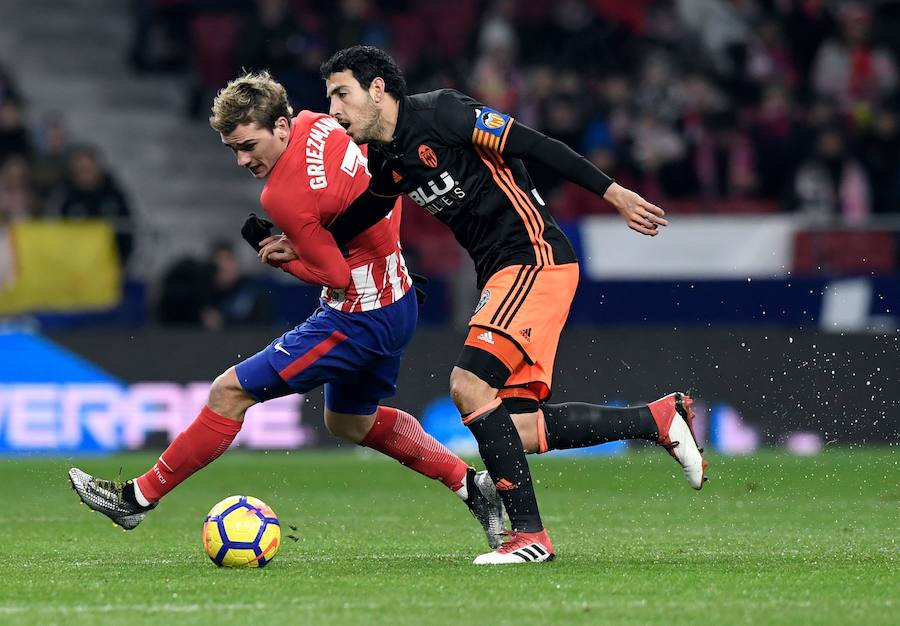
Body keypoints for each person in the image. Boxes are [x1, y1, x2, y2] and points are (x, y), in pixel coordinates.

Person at [68, 71, 504, 551]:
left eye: (248, 145)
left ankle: (137, 499)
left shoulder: (283, 195)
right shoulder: (325, 124)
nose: (242, 160)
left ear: (279, 125)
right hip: (397, 299)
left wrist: (286, 258)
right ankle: (473, 487)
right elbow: (381, 179)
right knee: (350, 422)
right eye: (233, 149)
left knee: (228, 393)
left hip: (357, 317)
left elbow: (334, 277)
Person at [320, 45, 708, 565]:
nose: (333, 112)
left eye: (341, 95)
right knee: (518, 426)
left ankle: (529, 538)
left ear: (377, 89)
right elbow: (371, 206)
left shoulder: (444, 113)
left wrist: (611, 192)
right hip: (504, 272)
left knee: (468, 385)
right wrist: (298, 240)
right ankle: (657, 418)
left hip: (533, 256)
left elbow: (535, 144)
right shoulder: (386, 157)